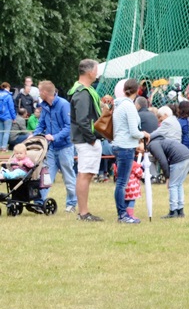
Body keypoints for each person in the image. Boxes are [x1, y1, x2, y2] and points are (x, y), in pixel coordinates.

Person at [68, 59, 104, 221]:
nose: (97, 73)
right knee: (84, 174)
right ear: (90, 72)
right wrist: (92, 140)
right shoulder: (82, 93)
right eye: (96, 70)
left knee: (86, 174)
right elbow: (82, 120)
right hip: (86, 140)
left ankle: (83, 211)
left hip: (85, 139)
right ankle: (83, 213)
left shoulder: (84, 90)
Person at [34, 80, 77, 213]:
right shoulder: (44, 106)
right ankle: (40, 203)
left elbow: (69, 126)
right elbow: (41, 124)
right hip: (51, 148)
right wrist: (34, 136)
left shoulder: (64, 105)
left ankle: (71, 203)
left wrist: (55, 136)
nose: (38, 93)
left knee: (68, 176)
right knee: (46, 176)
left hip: (65, 147)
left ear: (45, 92)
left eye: (39, 91)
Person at [112, 79, 149, 224]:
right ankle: (123, 214)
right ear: (138, 91)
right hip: (125, 146)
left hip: (118, 144)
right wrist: (143, 134)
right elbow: (134, 131)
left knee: (121, 182)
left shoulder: (119, 105)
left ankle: (123, 213)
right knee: (122, 182)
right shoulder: (129, 106)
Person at [149, 107, 189, 219]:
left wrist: (167, 177)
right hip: (186, 154)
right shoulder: (175, 121)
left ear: (165, 114)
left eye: (160, 117)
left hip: (177, 157)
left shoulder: (166, 124)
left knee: (172, 184)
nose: (159, 120)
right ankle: (180, 210)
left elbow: (162, 160)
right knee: (178, 184)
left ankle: (173, 211)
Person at [123, 142, 145, 222]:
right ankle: (130, 214)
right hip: (132, 187)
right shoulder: (134, 164)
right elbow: (140, 173)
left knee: (125, 200)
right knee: (132, 200)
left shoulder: (120, 164)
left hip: (123, 186)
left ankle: (124, 214)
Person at [0, 82, 15, 151]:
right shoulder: (8, 96)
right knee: (6, 132)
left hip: (0, 116)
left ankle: (0, 146)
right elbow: (11, 108)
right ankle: (4, 147)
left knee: (1, 132)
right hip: (7, 116)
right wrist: (13, 117)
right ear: (8, 87)